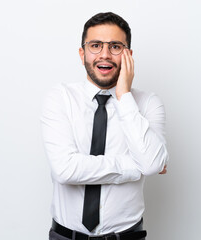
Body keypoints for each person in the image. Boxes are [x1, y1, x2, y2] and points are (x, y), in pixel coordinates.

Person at [41, 12, 169, 240]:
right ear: (82, 54)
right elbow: (65, 169)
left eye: (116, 47)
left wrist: (123, 96)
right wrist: (134, 167)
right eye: (96, 45)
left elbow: (150, 165)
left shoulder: (149, 103)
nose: (105, 55)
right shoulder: (60, 98)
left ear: (129, 55)